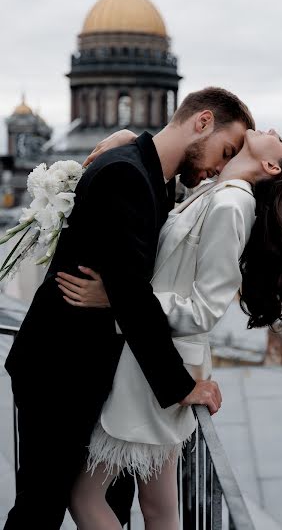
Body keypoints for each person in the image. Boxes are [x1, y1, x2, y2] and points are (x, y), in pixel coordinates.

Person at [4, 87, 255, 530]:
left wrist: (129, 136)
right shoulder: (127, 174)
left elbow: (130, 288)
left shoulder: (148, 173)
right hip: (58, 371)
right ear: (202, 122)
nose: (220, 167)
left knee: (107, 506)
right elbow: (134, 295)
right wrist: (182, 388)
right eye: (226, 149)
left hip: (90, 370)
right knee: (39, 509)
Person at [56, 128, 282, 530]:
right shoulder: (217, 191)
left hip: (152, 371)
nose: (274, 130)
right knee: (158, 504)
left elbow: (203, 310)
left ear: (272, 165)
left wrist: (117, 298)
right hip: (165, 364)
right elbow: (162, 191)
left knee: (83, 495)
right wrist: (131, 140)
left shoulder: (232, 205)